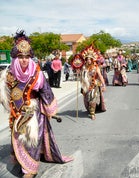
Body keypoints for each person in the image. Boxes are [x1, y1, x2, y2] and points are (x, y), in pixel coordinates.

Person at [0, 30, 73, 178]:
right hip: (16, 112)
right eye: (21, 57)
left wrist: (49, 109)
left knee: (32, 139)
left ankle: (30, 169)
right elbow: (5, 95)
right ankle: (19, 158)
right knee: (18, 137)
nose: (24, 60)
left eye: (27, 57)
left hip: (33, 112)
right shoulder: (8, 74)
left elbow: (46, 91)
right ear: (15, 58)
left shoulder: (37, 74)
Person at [80, 46, 106, 120]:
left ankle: (92, 113)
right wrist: (78, 72)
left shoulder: (95, 67)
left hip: (94, 85)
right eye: (87, 59)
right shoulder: (84, 67)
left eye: (90, 59)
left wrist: (103, 85)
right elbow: (81, 77)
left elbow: (100, 76)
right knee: (87, 99)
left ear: (92, 60)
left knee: (92, 99)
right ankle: (90, 109)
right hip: (85, 86)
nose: (88, 60)